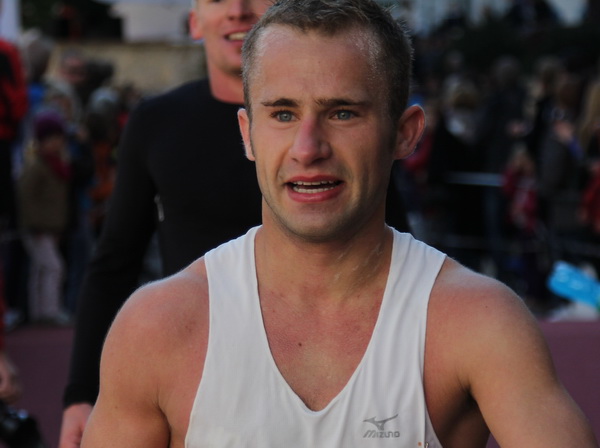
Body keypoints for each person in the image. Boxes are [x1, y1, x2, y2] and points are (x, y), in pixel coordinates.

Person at [80, 0, 599, 446]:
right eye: (283, 114)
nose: (308, 148)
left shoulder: (478, 323)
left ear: (405, 133)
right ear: (248, 133)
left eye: (342, 113)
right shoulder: (157, 328)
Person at [59, 0, 412, 445]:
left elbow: (394, 242)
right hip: (192, 368)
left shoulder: (350, 134)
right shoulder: (156, 122)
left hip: (338, 362)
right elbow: (114, 261)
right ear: (194, 22)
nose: (238, 10)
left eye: (340, 113)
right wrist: (80, 392)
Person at [17, 110, 71, 325]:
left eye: (58, 138)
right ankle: (49, 311)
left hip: (48, 227)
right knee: (53, 267)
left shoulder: (55, 164)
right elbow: (26, 198)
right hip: (37, 228)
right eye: (51, 138)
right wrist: (34, 225)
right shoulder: (37, 166)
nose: (56, 143)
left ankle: (39, 311)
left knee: (40, 270)